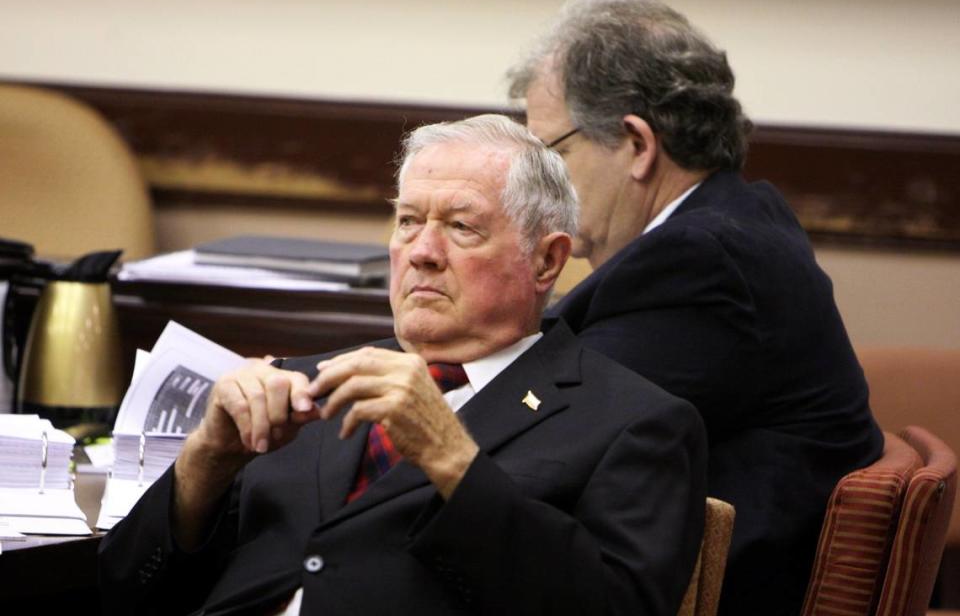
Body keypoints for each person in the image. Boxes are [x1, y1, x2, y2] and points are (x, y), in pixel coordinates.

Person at [98, 114, 708, 616]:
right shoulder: (301, 383)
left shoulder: (634, 424)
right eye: (409, 221)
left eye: (461, 227)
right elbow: (122, 595)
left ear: (546, 262)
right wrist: (204, 462)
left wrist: (453, 461)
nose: (421, 253)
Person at [506, 0, 884, 616]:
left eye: (552, 154)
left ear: (636, 144)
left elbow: (546, 431)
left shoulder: (703, 264)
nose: (537, 186)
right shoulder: (732, 222)